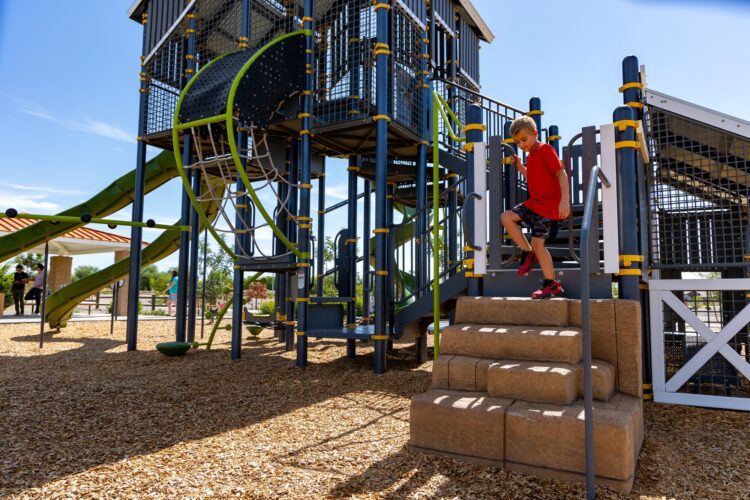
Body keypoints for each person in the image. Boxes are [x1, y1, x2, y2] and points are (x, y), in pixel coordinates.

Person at [500, 116, 570, 299]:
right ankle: (527, 252)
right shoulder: (531, 156)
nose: (521, 144)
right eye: (518, 142)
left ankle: (551, 284)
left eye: (524, 139)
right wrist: (519, 166)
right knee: (506, 217)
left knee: (539, 245)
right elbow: (531, 176)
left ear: (535, 134)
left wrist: (565, 200)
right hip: (534, 204)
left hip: (549, 208)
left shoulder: (546, 150)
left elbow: (561, 174)